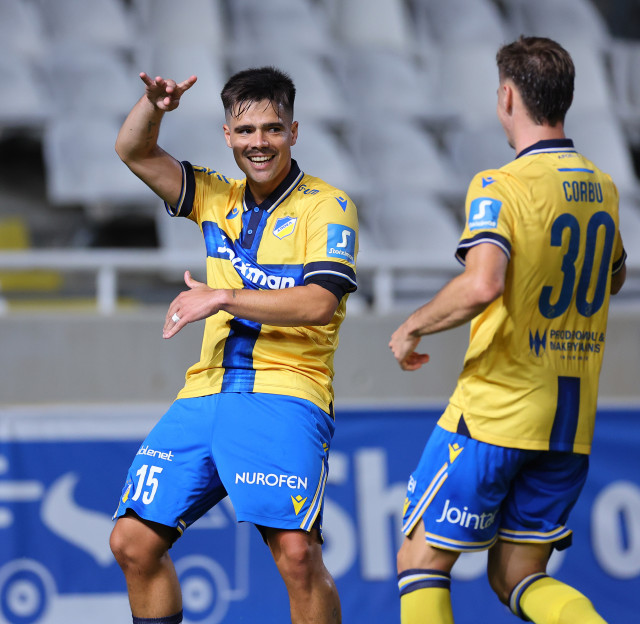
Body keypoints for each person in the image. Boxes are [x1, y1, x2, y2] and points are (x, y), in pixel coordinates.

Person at [389, 36, 627, 624]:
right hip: (569, 421)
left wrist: (413, 325)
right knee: (518, 575)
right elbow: (614, 275)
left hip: (497, 409)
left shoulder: (501, 184)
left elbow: (482, 284)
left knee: (419, 562)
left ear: (507, 97)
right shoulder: (604, 187)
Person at [109, 66, 358, 624]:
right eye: (245, 131)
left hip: (287, 391)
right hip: (205, 392)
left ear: (294, 132)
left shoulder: (328, 206)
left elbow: (320, 302)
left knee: (297, 556)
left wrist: (223, 296)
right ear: (227, 135)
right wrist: (153, 107)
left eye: (272, 129)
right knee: (132, 542)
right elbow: (133, 150)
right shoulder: (214, 195)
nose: (258, 143)